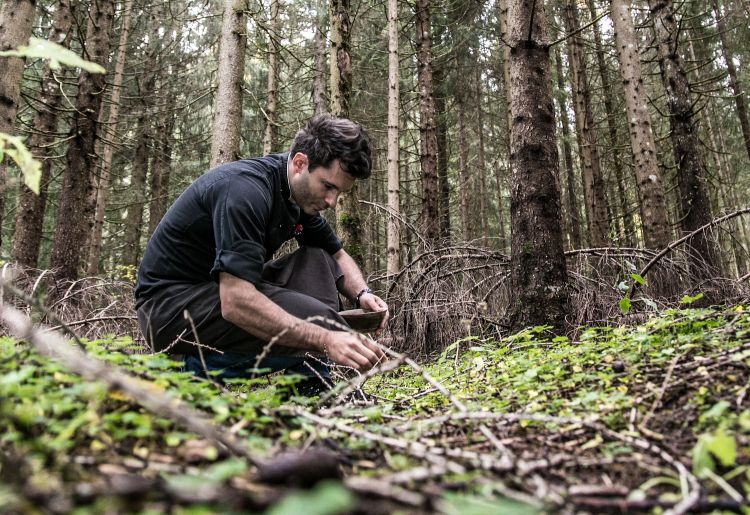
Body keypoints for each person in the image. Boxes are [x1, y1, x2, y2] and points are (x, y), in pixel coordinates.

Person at [134, 115, 389, 394]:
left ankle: (308, 381)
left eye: (339, 192)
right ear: (300, 163)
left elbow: (337, 255)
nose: (332, 201)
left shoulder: (299, 196)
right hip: (168, 308)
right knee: (317, 317)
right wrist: (327, 339)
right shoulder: (245, 191)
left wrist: (362, 294)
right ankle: (194, 368)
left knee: (318, 261)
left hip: (218, 290)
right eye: (328, 186)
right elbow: (236, 301)